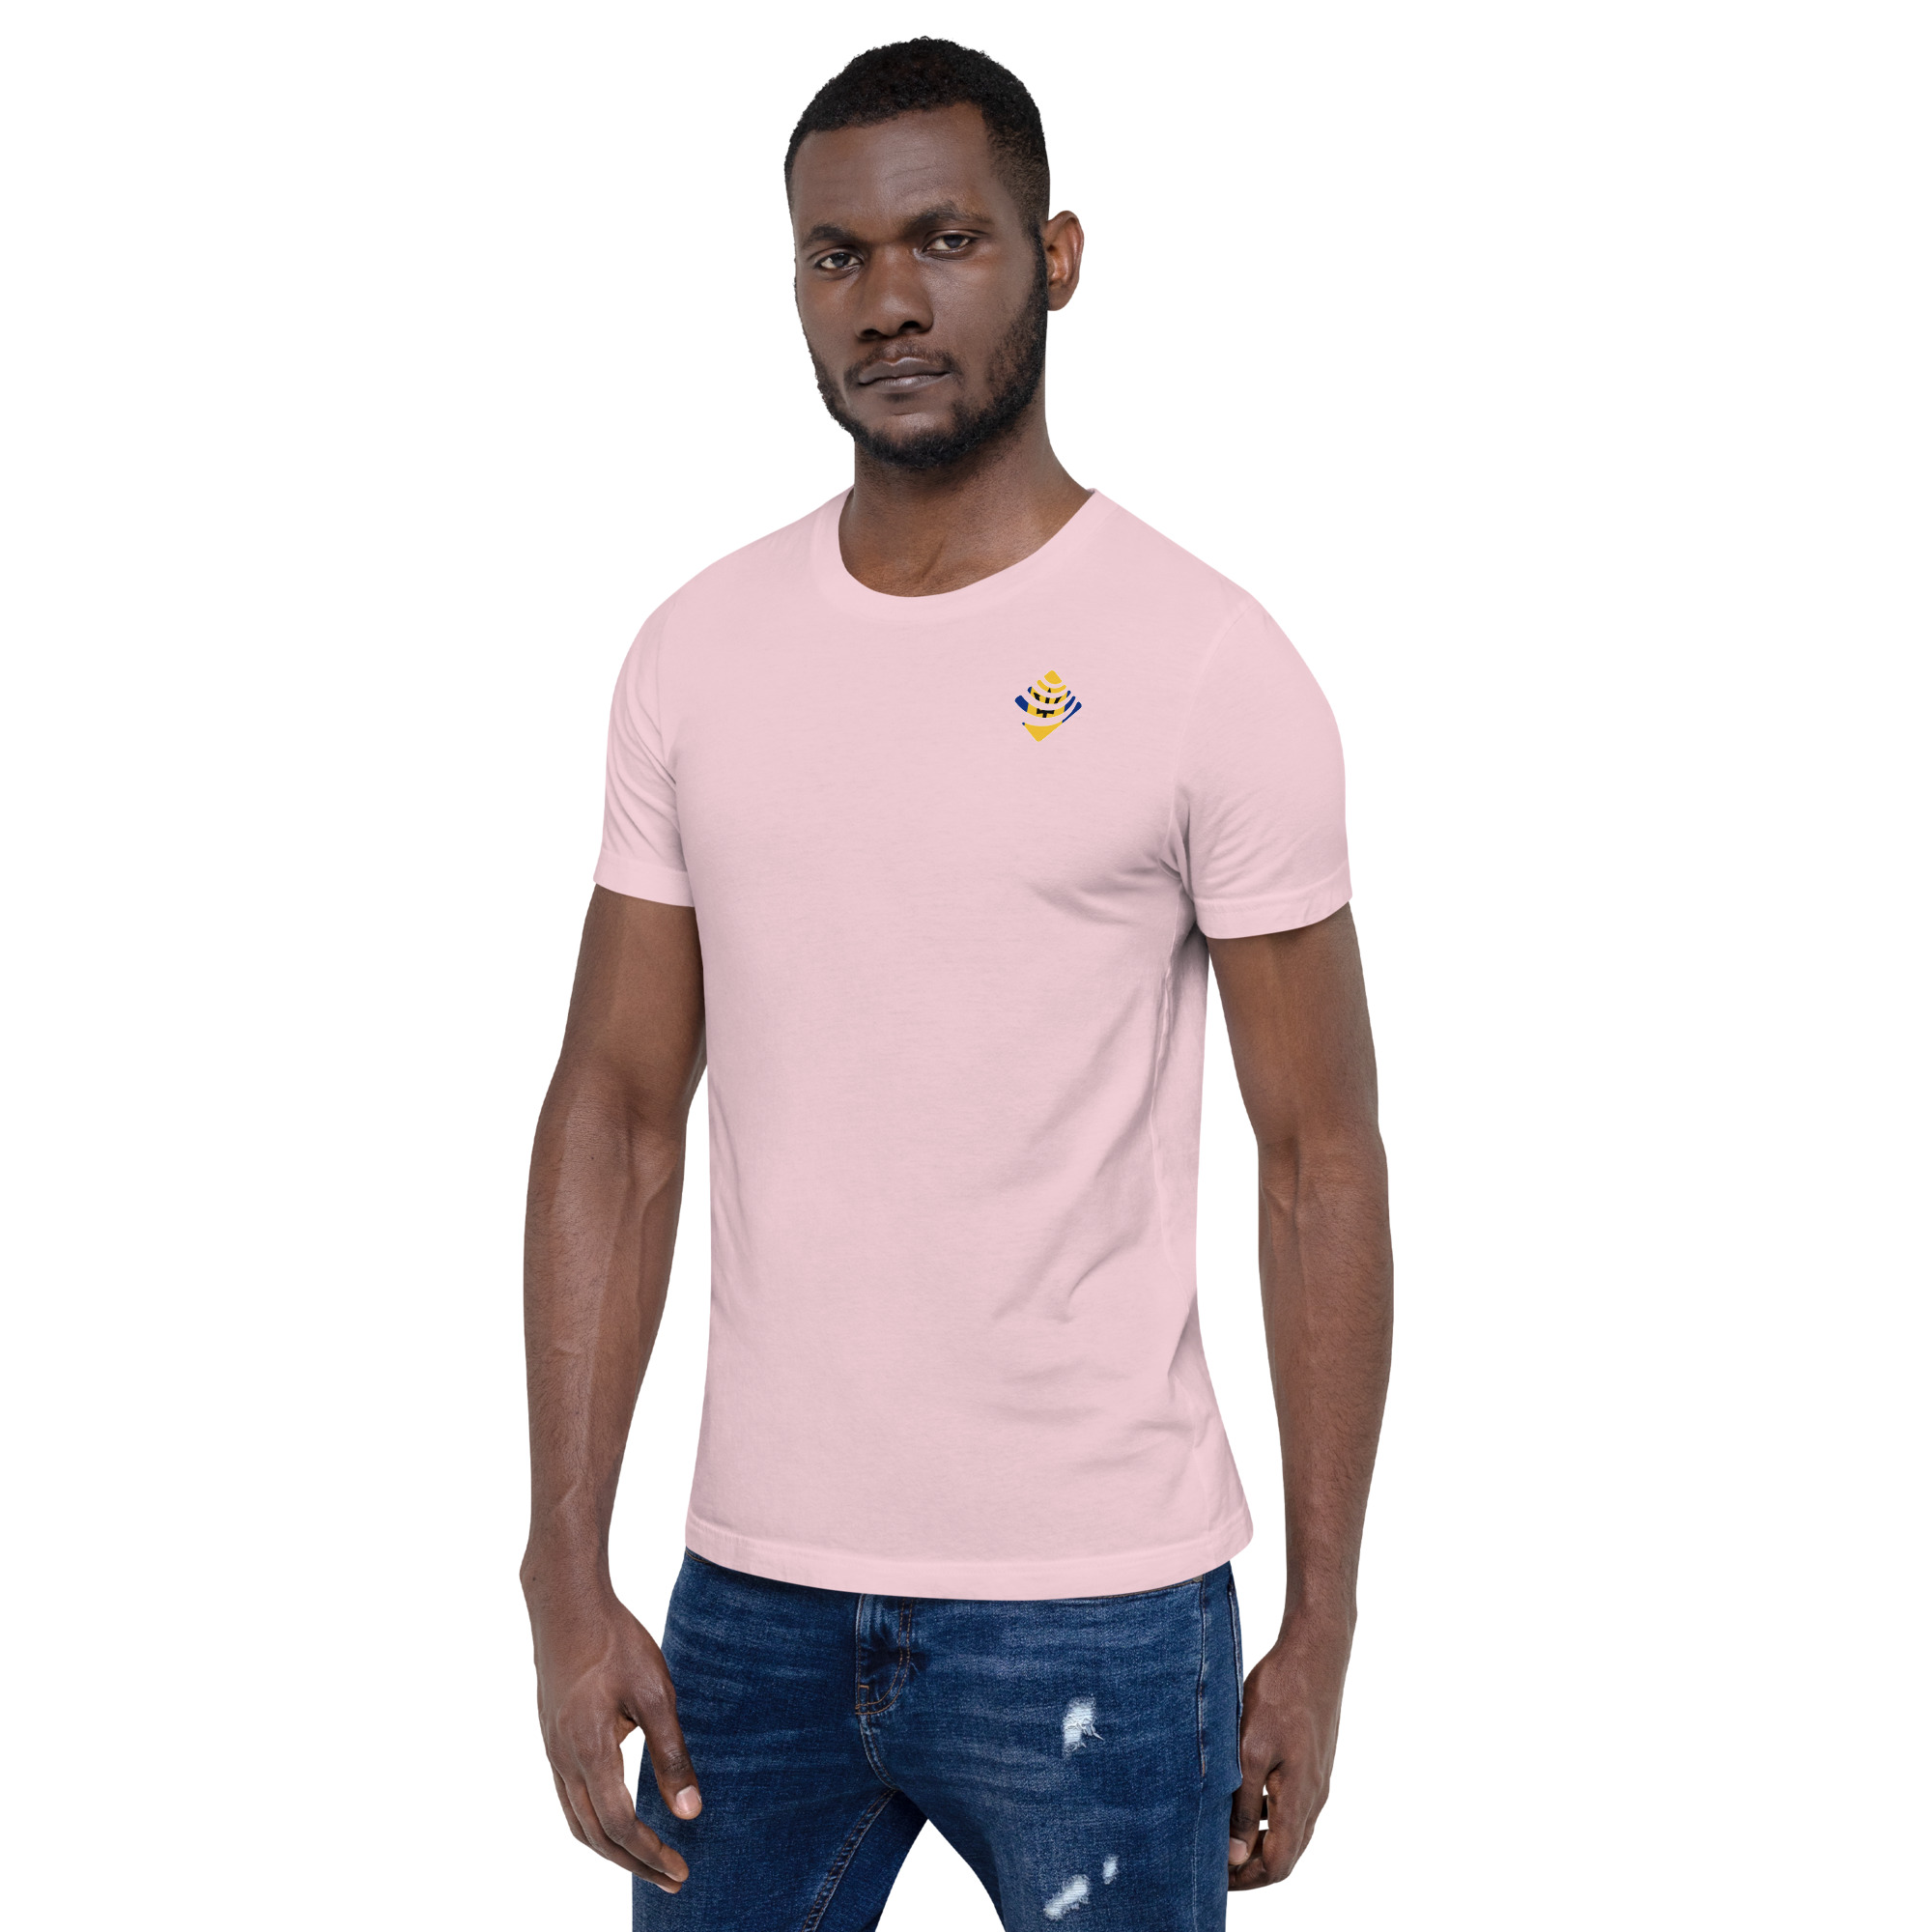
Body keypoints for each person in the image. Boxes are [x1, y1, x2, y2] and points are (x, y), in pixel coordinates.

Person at [520, 37, 1393, 1930]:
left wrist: (1322, 1627)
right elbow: (616, 1113)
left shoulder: (1205, 664)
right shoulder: (697, 652)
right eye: (837, 256)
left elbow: (1321, 1157)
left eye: (946, 239)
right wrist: (561, 1568)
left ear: (1055, 255)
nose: (890, 300)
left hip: (1101, 1610)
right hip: (746, 1606)